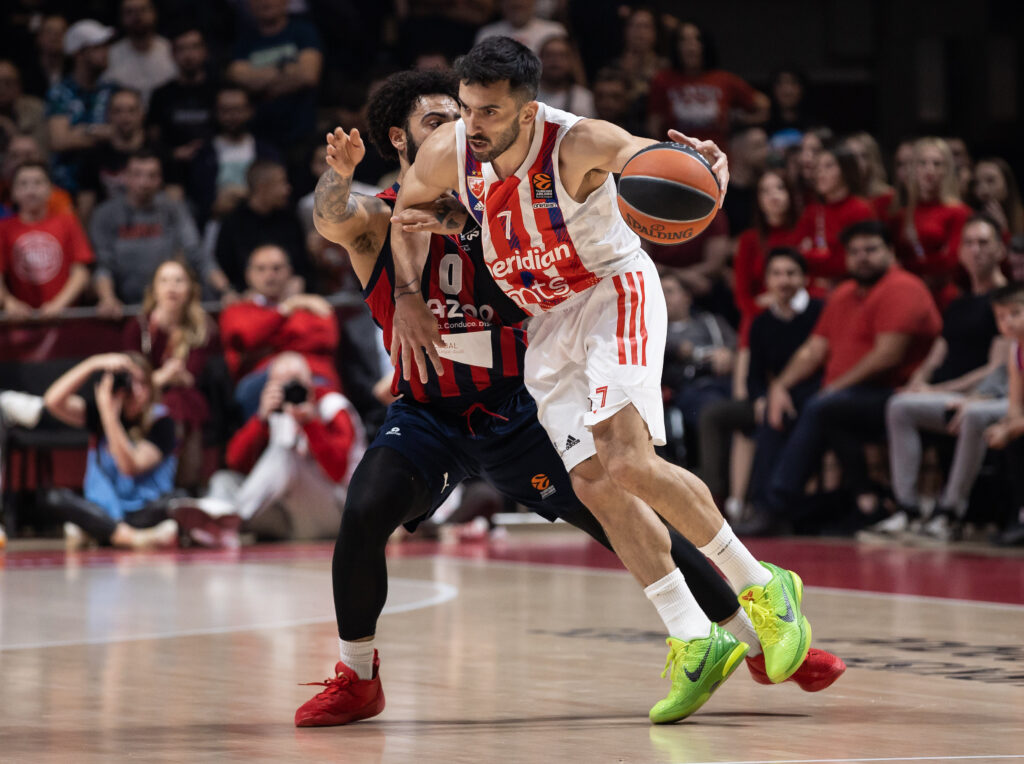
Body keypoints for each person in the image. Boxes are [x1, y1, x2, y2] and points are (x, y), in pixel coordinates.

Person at [295, 67, 844, 728]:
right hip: (428, 414)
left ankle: (754, 641)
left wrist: (690, 169)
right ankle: (358, 677)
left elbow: (608, 170)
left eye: (468, 115)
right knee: (363, 512)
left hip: (515, 404)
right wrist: (345, 185)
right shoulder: (385, 215)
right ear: (401, 139)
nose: (463, 129)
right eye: (441, 121)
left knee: (619, 504)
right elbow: (333, 216)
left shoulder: (497, 195)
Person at [741, 221, 942, 535]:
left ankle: (776, 504)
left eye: (871, 250)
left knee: (824, 408)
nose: (862, 258)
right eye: (855, 252)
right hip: (847, 397)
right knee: (779, 407)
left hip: (894, 394)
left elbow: (887, 355)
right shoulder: (845, 293)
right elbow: (813, 350)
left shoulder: (903, 287)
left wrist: (835, 387)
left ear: (890, 252)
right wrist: (779, 386)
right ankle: (769, 504)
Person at [874, 215, 1010, 541]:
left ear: (1000, 249)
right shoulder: (959, 303)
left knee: (973, 415)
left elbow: (997, 368)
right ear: (960, 252)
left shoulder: (1008, 301)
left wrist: (942, 389)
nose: (976, 251)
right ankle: (908, 507)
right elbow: (939, 350)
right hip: (949, 396)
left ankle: (951, 511)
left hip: (988, 396)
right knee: (900, 405)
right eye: (969, 243)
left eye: (984, 243)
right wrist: (919, 381)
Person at [205, 352, 363, 540]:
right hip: (292, 515)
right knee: (223, 480)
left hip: (339, 510)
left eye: (295, 381)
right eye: (282, 384)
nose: (290, 389)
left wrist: (310, 423)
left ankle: (220, 520)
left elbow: (338, 472)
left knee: (287, 452)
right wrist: (261, 420)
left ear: (310, 380)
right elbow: (234, 462)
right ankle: (212, 523)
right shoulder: (275, 413)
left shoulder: (333, 406)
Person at [41, 352, 180, 550]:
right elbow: (52, 401)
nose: (137, 391)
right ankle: (126, 536)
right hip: (105, 509)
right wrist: (93, 363)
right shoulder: (100, 413)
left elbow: (129, 467)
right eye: (130, 384)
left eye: (143, 384)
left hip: (142, 509)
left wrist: (109, 416)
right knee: (55, 498)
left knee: (176, 502)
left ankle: (101, 532)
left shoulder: (161, 421)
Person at [90, 150, 226, 313]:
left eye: (152, 176)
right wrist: (107, 298)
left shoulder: (174, 209)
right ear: (125, 177)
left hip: (168, 307)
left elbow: (198, 255)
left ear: (160, 180)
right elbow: (103, 265)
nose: (144, 182)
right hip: (123, 309)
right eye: (137, 174)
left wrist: (226, 291)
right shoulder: (105, 214)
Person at [123, 259, 218, 489]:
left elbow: (195, 376)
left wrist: (162, 377)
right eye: (164, 281)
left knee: (181, 401)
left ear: (191, 289)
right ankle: (177, 485)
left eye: (179, 281)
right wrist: (164, 375)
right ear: (154, 289)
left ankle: (180, 484)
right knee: (174, 404)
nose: (171, 287)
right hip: (143, 399)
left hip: (186, 397)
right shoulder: (139, 327)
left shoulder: (202, 326)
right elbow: (132, 376)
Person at [219, 244, 339, 419]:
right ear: (249, 275)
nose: (269, 275)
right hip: (260, 383)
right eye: (261, 269)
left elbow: (326, 338)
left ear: (289, 272)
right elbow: (245, 338)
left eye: (277, 268)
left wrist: (270, 345)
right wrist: (285, 310)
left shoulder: (310, 305)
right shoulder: (236, 310)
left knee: (330, 400)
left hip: (315, 377)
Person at [647, 21, 769, 151]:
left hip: (717, 156)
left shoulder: (723, 80)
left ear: (705, 45)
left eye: (697, 39)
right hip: (677, 158)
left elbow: (763, 105)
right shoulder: (663, 80)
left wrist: (739, 120)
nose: (691, 46)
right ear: (676, 46)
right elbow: (653, 126)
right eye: (684, 40)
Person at [0, 161, 92, 318]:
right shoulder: (4, 228)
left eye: (38, 183)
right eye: (23, 184)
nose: (31, 190)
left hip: (64, 317)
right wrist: (8, 302)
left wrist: (59, 304)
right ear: (13, 192)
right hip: (20, 319)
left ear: (50, 189)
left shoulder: (67, 222)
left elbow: (81, 272)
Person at [228, 0, 323, 148]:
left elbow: (308, 75)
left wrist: (260, 84)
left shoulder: (303, 31)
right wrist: (285, 69)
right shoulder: (244, 39)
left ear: (286, 2)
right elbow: (238, 76)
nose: (265, 3)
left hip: (302, 132)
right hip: (259, 136)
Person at [892, 137, 971, 308]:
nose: (930, 170)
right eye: (923, 163)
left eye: (937, 164)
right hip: (906, 295)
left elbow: (951, 261)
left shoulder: (958, 211)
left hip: (944, 296)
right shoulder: (901, 215)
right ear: (913, 169)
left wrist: (908, 267)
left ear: (947, 170)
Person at [187, 86, 282, 226]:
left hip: (261, 224)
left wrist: (244, 196)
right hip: (218, 224)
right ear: (216, 113)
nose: (232, 117)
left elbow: (279, 193)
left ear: (250, 111)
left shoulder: (267, 152)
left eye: (238, 110)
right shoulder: (204, 154)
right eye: (225, 110)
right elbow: (198, 200)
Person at [213, 159, 310, 293]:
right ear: (262, 187)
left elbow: (302, 265)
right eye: (281, 183)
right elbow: (222, 265)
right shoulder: (233, 223)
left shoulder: (290, 220)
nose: (287, 189)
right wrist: (232, 292)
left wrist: (299, 281)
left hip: (289, 299)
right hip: (246, 300)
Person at [45, 19, 117, 194]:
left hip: (109, 183)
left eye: (106, 46)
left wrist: (80, 132)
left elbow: (122, 135)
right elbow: (59, 141)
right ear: (79, 54)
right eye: (98, 47)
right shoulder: (60, 92)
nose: (106, 53)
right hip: (67, 187)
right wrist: (97, 132)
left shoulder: (113, 91)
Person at [733, 169, 802, 346]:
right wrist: (762, 306)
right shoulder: (749, 240)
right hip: (761, 314)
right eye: (765, 191)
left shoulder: (804, 230)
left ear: (790, 193)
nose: (773, 196)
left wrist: (779, 299)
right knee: (750, 325)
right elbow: (742, 296)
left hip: (801, 310)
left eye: (779, 188)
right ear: (758, 199)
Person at [795, 142, 876, 290]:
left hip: (851, 287)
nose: (820, 173)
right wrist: (823, 255)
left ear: (845, 170)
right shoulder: (812, 211)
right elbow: (797, 255)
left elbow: (849, 261)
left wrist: (811, 254)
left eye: (828, 166)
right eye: (818, 168)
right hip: (813, 290)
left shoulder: (859, 209)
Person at [146, 28, 219, 182]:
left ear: (205, 51)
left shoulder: (220, 90)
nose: (189, 55)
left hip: (216, 165)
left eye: (194, 47)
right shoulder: (161, 94)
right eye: (182, 49)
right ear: (172, 54)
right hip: (173, 170)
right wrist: (173, 153)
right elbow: (152, 138)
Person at [103, 0, 177, 105]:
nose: (137, 16)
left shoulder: (171, 50)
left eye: (143, 10)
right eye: (130, 12)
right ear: (121, 18)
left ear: (154, 14)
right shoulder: (110, 55)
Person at [720, 125, 769, 237]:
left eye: (766, 145)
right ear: (737, 150)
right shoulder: (721, 195)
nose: (765, 152)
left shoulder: (767, 187)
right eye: (758, 146)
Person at [474, 0, 566, 54]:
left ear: (534, 3)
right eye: (514, 7)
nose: (517, 2)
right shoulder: (487, 34)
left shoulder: (554, 31)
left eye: (521, 6)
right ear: (502, 4)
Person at [535, 35, 594, 117]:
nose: (555, 60)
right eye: (549, 55)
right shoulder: (523, 97)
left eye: (562, 56)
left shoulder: (585, 98)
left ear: (571, 61)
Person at [0, 60, 48, 152]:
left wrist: (11, 131)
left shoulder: (35, 109)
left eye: (8, 83)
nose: (2, 89)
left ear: (19, 86)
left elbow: (42, 153)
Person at [845, 132, 894, 222]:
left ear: (872, 160)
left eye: (863, 156)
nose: (857, 162)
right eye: (852, 156)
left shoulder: (887, 197)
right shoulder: (839, 197)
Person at [971, 157, 1024, 239]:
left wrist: (1003, 231)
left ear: (1007, 183)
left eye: (990, 180)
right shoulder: (969, 216)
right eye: (977, 183)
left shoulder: (1021, 218)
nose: (983, 189)